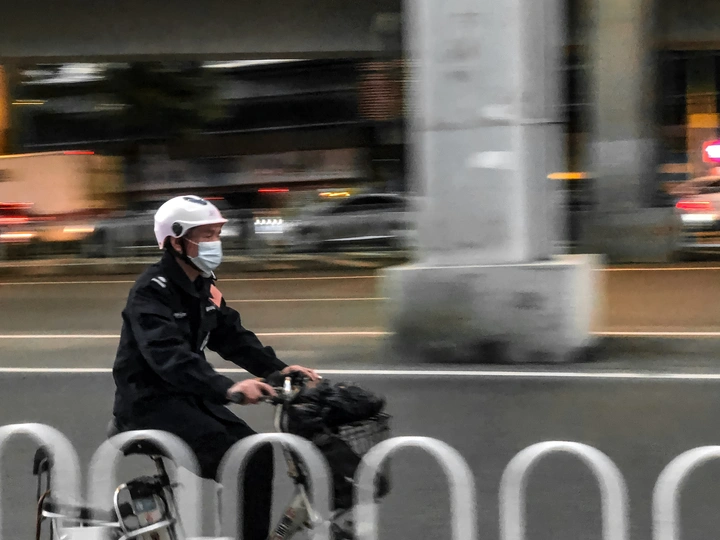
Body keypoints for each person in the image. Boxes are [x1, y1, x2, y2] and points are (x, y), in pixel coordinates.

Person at [110, 195, 318, 540]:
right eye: (206, 235)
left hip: (189, 399)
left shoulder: (203, 285)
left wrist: (278, 371)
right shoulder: (151, 292)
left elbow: (233, 338)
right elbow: (168, 356)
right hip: (149, 406)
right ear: (176, 242)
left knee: (256, 451)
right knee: (246, 459)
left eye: (217, 234)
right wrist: (228, 388)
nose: (215, 243)